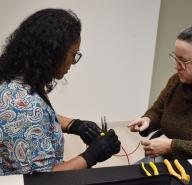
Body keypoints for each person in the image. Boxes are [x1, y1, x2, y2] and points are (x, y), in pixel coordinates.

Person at [0, 8, 121, 175]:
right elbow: (44, 180)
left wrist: (75, 125)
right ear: (53, 53)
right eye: (73, 54)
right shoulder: (25, 106)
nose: (73, 62)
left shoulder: (15, 82)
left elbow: (37, 118)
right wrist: (93, 155)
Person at [128, 25, 192, 163]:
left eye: (184, 61)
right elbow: (158, 110)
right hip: (169, 159)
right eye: (176, 58)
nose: (176, 66)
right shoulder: (177, 81)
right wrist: (148, 120)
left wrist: (171, 146)